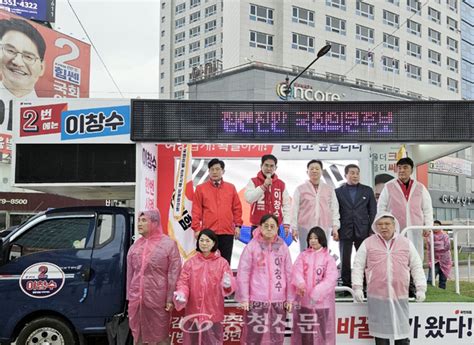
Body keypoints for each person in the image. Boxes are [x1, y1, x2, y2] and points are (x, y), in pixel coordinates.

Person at [352, 212, 427, 345]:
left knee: (402, 335)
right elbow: (358, 265)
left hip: (399, 295)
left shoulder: (405, 243)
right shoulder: (368, 243)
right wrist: (357, 287)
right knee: (381, 337)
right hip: (377, 296)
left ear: (394, 225)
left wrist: (421, 288)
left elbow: (416, 266)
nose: (383, 227)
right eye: (380, 224)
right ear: (375, 227)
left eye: (387, 224)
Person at [236, 214, 293, 345]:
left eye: (272, 226)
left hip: (278, 300)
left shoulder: (282, 246)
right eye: (266, 226)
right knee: (253, 336)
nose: (269, 229)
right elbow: (243, 273)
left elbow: (289, 274)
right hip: (256, 299)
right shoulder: (252, 246)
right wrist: (245, 298)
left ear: (277, 229)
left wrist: (290, 299)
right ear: (260, 227)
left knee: (276, 337)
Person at [126, 210, 181, 345]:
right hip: (137, 300)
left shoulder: (168, 244)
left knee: (160, 335)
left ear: (155, 223)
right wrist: (130, 297)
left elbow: (174, 273)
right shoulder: (135, 246)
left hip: (159, 299)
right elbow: (130, 274)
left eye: (144, 220)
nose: (140, 224)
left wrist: (170, 299)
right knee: (139, 335)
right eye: (139, 220)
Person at [173, 229, 234, 345]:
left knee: (213, 341)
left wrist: (228, 284)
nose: (204, 243)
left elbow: (228, 285)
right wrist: (182, 293)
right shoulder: (190, 263)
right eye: (201, 240)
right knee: (193, 341)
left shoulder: (222, 263)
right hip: (193, 311)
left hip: (213, 313)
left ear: (214, 243)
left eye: (207, 240)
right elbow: (183, 282)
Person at [377, 157, 433, 261]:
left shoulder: (420, 187)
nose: (401, 170)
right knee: (396, 255)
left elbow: (427, 209)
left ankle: (415, 277)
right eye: (399, 167)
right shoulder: (389, 186)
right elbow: (381, 208)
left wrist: (428, 226)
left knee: (415, 256)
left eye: (405, 167)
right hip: (395, 229)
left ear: (411, 170)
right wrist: (383, 225)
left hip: (415, 228)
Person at [291, 226, 338, 345]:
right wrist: (300, 283)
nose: (313, 240)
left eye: (316, 238)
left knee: (322, 334)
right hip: (305, 302)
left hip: (322, 304)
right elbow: (296, 271)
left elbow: (331, 279)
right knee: (306, 335)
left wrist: (317, 292)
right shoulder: (303, 256)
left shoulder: (328, 258)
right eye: (310, 238)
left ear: (322, 239)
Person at [192, 158, 243, 264]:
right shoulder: (201, 188)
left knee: (225, 261)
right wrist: (196, 228)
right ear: (208, 171)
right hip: (209, 233)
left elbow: (236, 208)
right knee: (207, 262)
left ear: (223, 171)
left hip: (227, 232)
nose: (214, 172)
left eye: (217, 169)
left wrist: (238, 226)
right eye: (212, 169)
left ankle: (224, 281)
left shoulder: (231, 188)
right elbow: (196, 210)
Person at [0, 18, 45, 133]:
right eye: (10, 50)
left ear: (41, 68)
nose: (17, 62)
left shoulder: (50, 114)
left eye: (28, 57)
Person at [335, 164, 377, 289]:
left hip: (363, 230)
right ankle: (346, 286)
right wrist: (335, 229)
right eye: (352, 173)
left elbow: (373, 211)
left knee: (364, 258)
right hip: (344, 229)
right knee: (345, 259)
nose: (355, 175)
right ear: (345, 175)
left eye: (357, 173)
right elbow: (335, 212)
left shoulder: (367, 190)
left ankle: (364, 284)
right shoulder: (338, 192)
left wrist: (371, 230)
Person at [291, 159, 340, 253]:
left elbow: (334, 208)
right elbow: (294, 209)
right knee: (305, 252)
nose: (314, 171)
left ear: (321, 171)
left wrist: (335, 227)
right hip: (304, 226)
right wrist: (294, 228)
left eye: (317, 168)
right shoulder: (300, 189)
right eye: (311, 168)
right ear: (307, 171)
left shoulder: (329, 189)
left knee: (323, 253)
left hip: (324, 226)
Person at [244, 154, 291, 237]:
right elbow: (249, 199)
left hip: (274, 226)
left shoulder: (281, 184)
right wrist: (263, 186)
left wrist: (286, 223)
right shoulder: (253, 181)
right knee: (256, 250)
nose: (269, 168)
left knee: (274, 250)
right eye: (266, 165)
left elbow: (286, 204)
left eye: (271, 166)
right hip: (257, 225)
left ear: (276, 168)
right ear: (261, 166)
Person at [426, 220, 452, 289]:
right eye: (434, 226)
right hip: (434, 260)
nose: (435, 227)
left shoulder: (445, 235)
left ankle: (442, 294)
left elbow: (447, 247)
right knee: (430, 279)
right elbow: (429, 246)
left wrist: (437, 246)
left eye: (437, 226)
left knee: (443, 281)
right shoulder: (430, 236)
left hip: (445, 261)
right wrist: (440, 245)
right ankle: (430, 293)